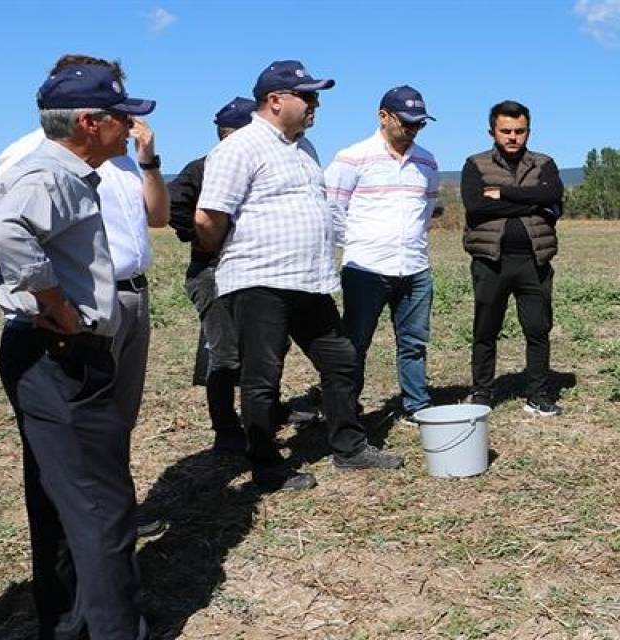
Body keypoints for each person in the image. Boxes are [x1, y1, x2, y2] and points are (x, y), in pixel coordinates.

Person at [0, 63, 154, 640]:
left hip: (56, 352)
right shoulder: (50, 172)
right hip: (60, 353)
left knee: (65, 493)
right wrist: (54, 302)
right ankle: (112, 628)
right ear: (87, 122)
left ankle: (69, 620)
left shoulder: (73, 172)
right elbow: (4, 232)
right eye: (120, 118)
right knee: (102, 501)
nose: (130, 128)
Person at [194, 60, 403, 491]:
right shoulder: (240, 148)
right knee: (262, 378)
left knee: (341, 360)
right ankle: (267, 468)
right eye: (307, 96)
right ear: (275, 101)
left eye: (316, 97)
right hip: (260, 282)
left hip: (308, 282)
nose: (316, 104)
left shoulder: (304, 148)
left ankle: (349, 448)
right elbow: (209, 218)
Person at [0, 53, 169, 453]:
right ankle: (94, 508)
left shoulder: (118, 156)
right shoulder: (27, 156)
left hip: (130, 294)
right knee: (78, 423)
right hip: (76, 305)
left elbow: (157, 218)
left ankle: (114, 503)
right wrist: (52, 302)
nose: (124, 119)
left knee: (117, 416)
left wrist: (149, 161)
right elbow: (5, 235)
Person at [326, 86, 439, 421]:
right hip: (366, 269)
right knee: (355, 344)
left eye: (419, 123)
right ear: (383, 116)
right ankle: (348, 409)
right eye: (406, 122)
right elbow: (332, 209)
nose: (413, 129)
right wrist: (360, 242)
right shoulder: (352, 158)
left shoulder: (427, 161)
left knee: (414, 343)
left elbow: (426, 210)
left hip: (416, 269)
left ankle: (416, 405)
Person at [460, 100, 565, 416]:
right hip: (491, 261)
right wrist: (533, 203)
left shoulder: (544, 163)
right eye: (505, 130)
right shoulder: (475, 164)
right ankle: (482, 391)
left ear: (528, 131)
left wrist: (503, 193)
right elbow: (477, 207)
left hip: (534, 261)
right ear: (492, 130)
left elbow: (552, 196)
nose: (512, 137)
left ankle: (537, 393)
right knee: (486, 328)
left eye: (519, 131)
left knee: (537, 328)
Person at [167, 97, 257, 454]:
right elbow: (175, 208)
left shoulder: (255, 168)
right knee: (224, 354)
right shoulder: (203, 169)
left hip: (252, 271)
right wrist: (205, 238)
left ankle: (265, 412)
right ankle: (226, 430)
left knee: (261, 349)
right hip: (211, 272)